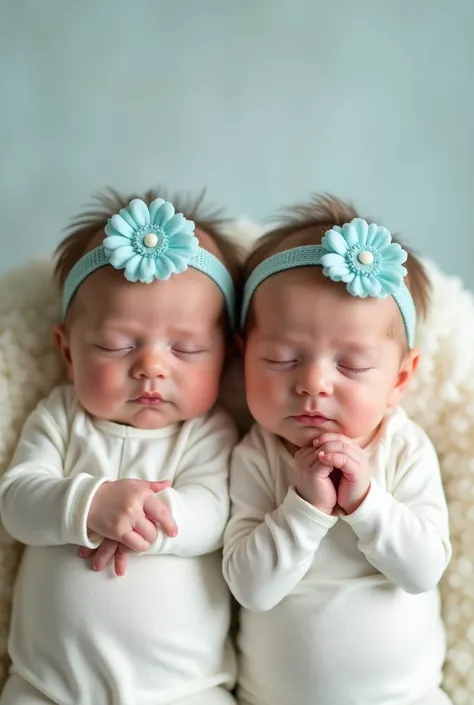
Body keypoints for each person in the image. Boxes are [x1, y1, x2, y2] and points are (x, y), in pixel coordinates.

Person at [0, 190, 240, 705]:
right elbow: (17, 502)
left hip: (184, 689)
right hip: (47, 686)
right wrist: (90, 504)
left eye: (186, 349)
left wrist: (147, 518)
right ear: (67, 350)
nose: (152, 366)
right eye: (117, 345)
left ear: (225, 354)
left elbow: (216, 513)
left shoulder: (206, 431)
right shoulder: (63, 415)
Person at [223, 195, 452, 705]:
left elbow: (424, 570)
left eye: (350, 366)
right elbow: (252, 588)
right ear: (243, 358)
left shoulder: (403, 447)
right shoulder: (255, 454)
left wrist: (368, 501)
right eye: (282, 359)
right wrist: (303, 511)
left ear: (400, 377)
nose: (313, 384)